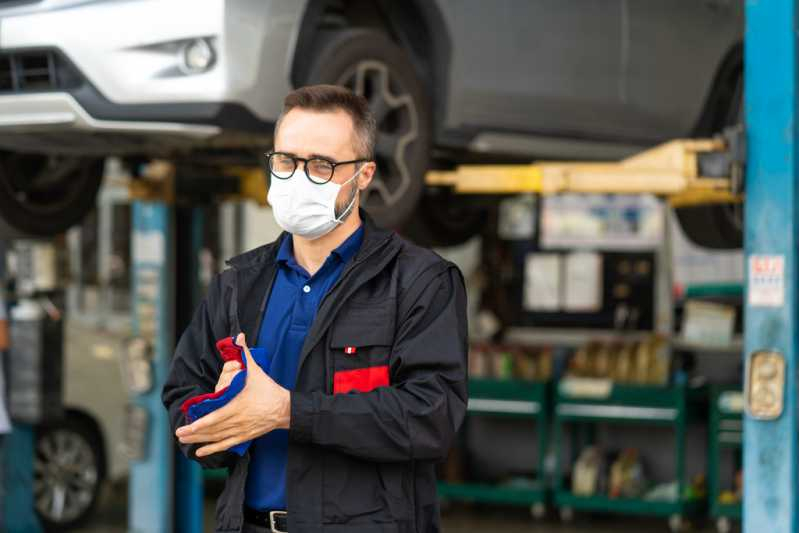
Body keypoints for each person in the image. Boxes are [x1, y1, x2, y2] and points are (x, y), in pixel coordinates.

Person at [162, 84, 468, 533]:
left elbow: (431, 416)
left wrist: (289, 412)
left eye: (321, 165)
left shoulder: (419, 284)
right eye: (286, 162)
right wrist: (218, 413)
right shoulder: (239, 284)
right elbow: (182, 397)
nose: (297, 179)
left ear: (364, 175)